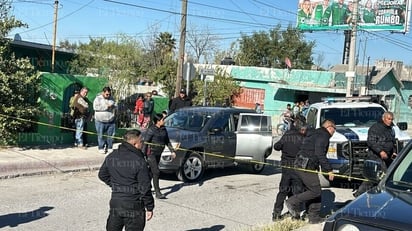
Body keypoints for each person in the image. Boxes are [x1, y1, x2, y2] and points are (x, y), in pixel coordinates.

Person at [98, 129, 154, 231]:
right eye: (141, 141)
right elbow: (145, 187)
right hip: (134, 205)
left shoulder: (112, 156)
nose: (143, 144)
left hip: (116, 203)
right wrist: (149, 207)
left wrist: (115, 185)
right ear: (135, 143)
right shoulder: (139, 161)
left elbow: (102, 175)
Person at [285, 119, 335, 224]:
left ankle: (313, 217)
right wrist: (329, 170)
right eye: (334, 130)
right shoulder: (324, 136)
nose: (334, 133)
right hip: (307, 167)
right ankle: (292, 202)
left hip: (299, 163)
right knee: (316, 191)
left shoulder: (315, 132)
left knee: (314, 190)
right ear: (329, 128)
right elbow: (320, 153)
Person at [353, 111, 397, 197]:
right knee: (373, 177)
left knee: (386, 176)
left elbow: (392, 142)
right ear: (383, 118)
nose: (390, 121)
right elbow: (371, 142)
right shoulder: (375, 128)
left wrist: (393, 152)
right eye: (388, 119)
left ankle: (380, 194)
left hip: (387, 157)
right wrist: (380, 151)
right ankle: (359, 194)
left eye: (392, 119)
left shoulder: (391, 129)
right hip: (375, 157)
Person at [272, 124, 307, 221]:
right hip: (297, 169)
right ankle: (295, 215)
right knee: (297, 192)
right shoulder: (303, 137)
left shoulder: (287, 135)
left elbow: (277, 146)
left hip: (286, 168)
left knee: (283, 190)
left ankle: (276, 214)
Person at [142, 113, 176, 199]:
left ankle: (145, 188)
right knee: (156, 172)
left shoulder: (164, 129)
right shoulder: (151, 130)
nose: (164, 121)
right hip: (151, 153)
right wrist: (142, 155)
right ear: (158, 121)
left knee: (151, 171)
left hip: (159, 153)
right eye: (162, 120)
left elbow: (167, 141)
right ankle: (158, 192)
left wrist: (172, 151)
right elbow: (145, 143)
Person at [93, 87, 116, 154]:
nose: (108, 95)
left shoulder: (111, 98)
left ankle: (109, 147)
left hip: (110, 120)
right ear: (103, 92)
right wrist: (106, 107)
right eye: (106, 94)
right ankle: (101, 147)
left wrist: (113, 106)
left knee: (110, 135)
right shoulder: (98, 99)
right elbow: (95, 107)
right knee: (101, 135)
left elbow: (115, 105)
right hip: (100, 120)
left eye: (109, 94)